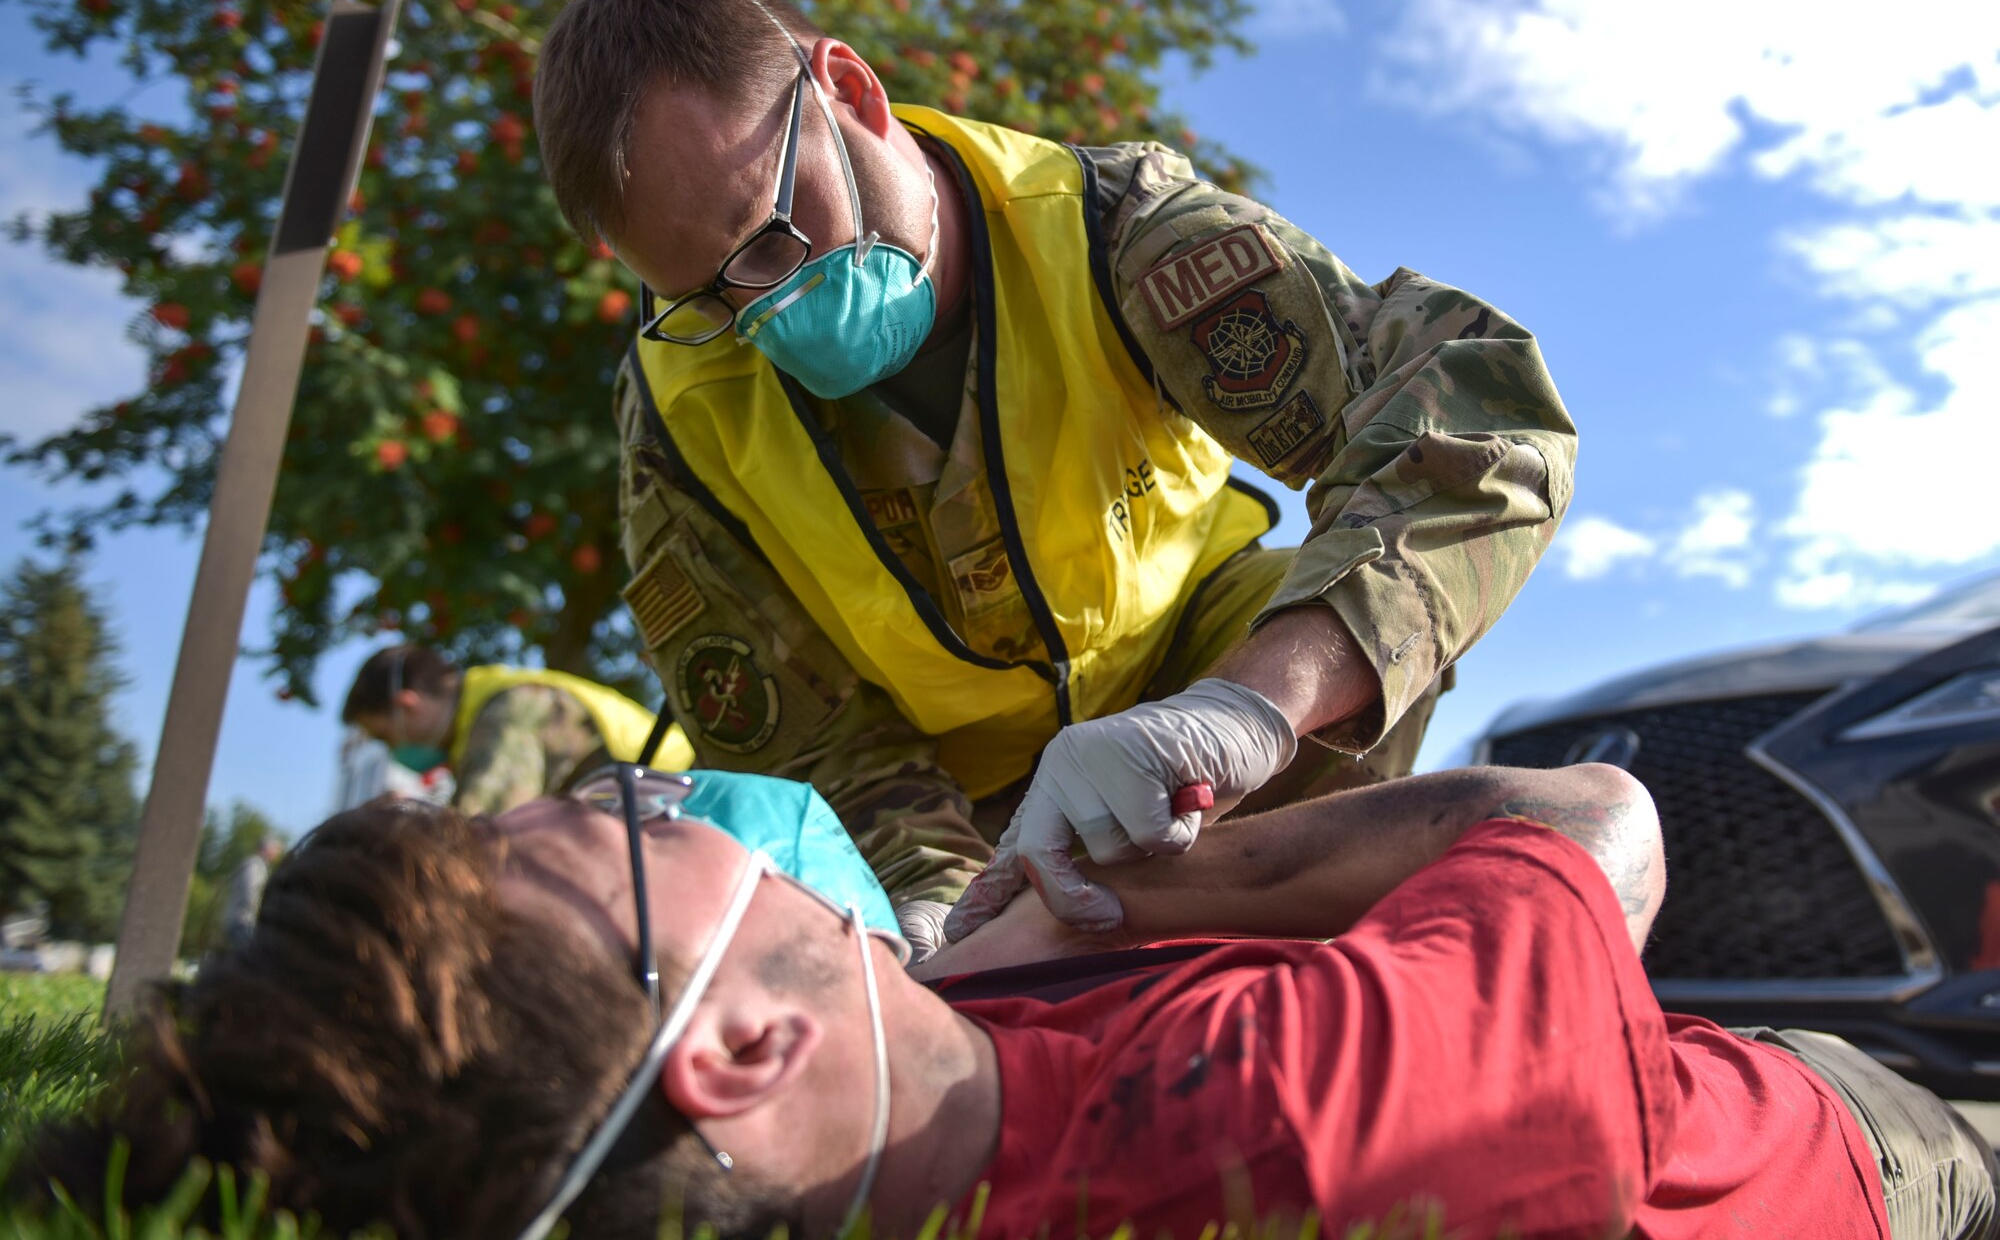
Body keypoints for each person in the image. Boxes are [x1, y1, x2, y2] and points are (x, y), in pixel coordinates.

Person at [530, 0, 1579, 945]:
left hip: (1201, 712)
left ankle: (1281, 967)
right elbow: (809, 744)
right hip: (962, 816)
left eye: (769, 238)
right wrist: (938, 907)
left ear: (849, 89)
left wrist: (1246, 710)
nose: (767, 309)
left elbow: (1469, 412)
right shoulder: (677, 408)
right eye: (707, 298)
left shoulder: (1107, 230)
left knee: (1356, 629)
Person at [21, 765, 1996, 1240]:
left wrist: (957, 961)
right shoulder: (1289, 1120)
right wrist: (1181, 865)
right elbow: (1599, 824)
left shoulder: (917, 1107)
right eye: (614, 830)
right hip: (1851, 1146)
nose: (656, 788)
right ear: (730, 1043)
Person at [341, 642, 694, 814]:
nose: (393, 752)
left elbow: (484, 838)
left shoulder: (505, 715)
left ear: (408, 705)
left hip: (697, 803)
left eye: (384, 737)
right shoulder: (487, 706)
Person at [217, 835, 282, 951]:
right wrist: (261, 914)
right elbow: (250, 893)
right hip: (242, 920)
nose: (277, 853)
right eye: (276, 849)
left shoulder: (257, 865)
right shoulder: (254, 865)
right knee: (251, 956)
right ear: (267, 849)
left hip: (242, 920)